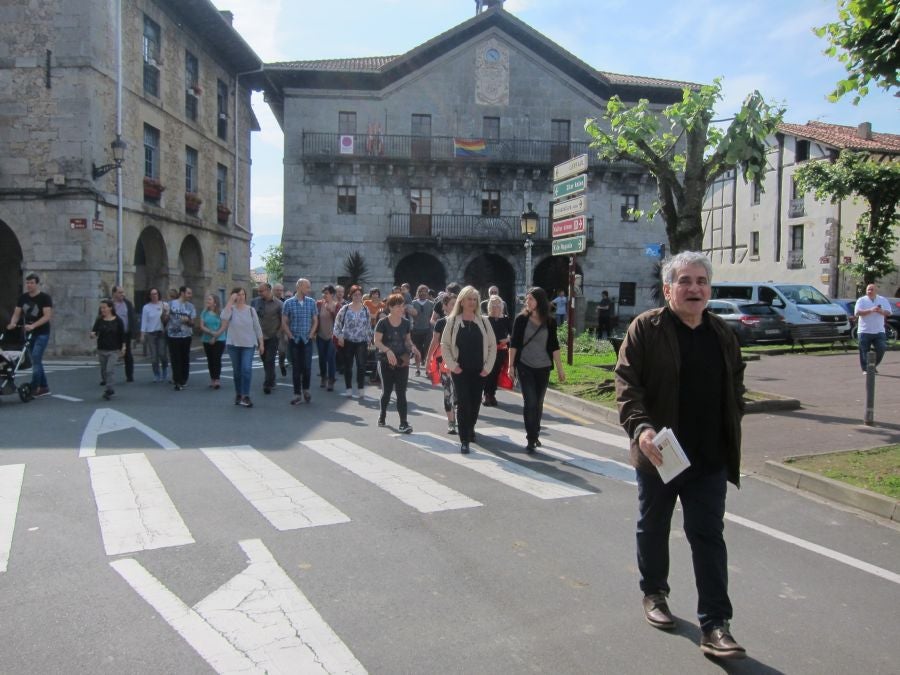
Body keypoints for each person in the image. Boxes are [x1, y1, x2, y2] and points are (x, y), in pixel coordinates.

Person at [614, 251, 746, 660]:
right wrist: (642, 428)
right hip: (661, 456)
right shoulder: (647, 329)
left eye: (701, 281)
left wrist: (731, 423)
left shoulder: (722, 333)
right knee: (653, 526)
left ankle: (716, 625)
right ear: (668, 289)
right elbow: (627, 384)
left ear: (710, 288)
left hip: (709, 457)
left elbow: (736, 386)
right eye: (685, 281)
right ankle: (654, 593)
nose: (694, 288)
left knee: (708, 537)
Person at [507, 287, 565, 452]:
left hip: (544, 367)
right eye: (527, 299)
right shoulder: (521, 320)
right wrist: (511, 366)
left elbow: (554, 346)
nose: (528, 302)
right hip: (525, 366)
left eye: (531, 299)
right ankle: (531, 437)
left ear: (539, 301)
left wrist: (560, 369)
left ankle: (535, 432)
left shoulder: (550, 321)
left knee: (538, 403)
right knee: (530, 401)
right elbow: (514, 344)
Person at [440, 286, 496, 454]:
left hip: (480, 370)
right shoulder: (452, 321)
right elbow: (445, 345)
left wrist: (487, 367)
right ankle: (464, 439)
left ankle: (470, 427)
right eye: (469, 299)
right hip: (460, 371)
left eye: (474, 299)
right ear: (462, 301)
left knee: (475, 403)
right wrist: (453, 366)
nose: (472, 302)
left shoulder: (484, 321)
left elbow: (492, 345)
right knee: (463, 403)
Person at [373, 293, 419, 433]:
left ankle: (403, 423)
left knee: (401, 392)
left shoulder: (405, 323)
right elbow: (377, 342)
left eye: (403, 305)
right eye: (398, 306)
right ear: (391, 307)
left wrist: (413, 347)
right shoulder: (383, 323)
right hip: (385, 361)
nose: (402, 308)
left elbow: (407, 340)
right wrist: (387, 350)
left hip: (402, 361)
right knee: (386, 391)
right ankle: (382, 415)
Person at [6, 273, 53, 397]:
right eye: (28, 283)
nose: (29, 285)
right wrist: (12, 323)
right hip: (28, 332)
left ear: (37, 284)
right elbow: (17, 313)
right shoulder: (23, 298)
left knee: (36, 357)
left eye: (32, 283)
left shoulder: (44, 298)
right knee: (35, 359)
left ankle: (35, 386)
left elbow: (47, 316)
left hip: (42, 332)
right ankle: (44, 387)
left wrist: (34, 325)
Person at [220, 287, 264, 407]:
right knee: (237, 371)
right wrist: (230, 301)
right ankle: (238, 393)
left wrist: (261, 343)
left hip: (248, 344)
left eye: (243, 294)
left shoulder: (251, 310)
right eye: (238, 295)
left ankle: (245, 395)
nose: (241, 297)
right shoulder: (231, 309)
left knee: (246, 369)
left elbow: (257, 327)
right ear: (233, 296)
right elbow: (223, 317)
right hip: (233, 344)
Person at [425, 292, 458, 434]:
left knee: (460, 396)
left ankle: (462, 419)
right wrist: (428, 359)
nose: (456, 306)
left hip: (463, 363)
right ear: (445, 306)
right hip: (445, 363)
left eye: (457, 303)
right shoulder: (441, 322)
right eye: (452, 304)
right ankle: (451, 421)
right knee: (448, 393)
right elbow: (435, 341)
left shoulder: (466, 320)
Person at [282, 278, 318, 405]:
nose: (309, 289)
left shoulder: (311, 302)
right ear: (299, 287)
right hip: (295, 340)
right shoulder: (288, 303)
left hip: (307, 340)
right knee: (296, 368)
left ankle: (306, 390)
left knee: (307, 367)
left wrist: (311, 333)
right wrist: (290, 335)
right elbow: (284, 321)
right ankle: (297, 393)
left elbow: (315, 320)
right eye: (307, 287)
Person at [334, 285, 371, 399]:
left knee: (361, 366)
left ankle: (360, 388)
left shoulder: (365, 309)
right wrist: (339, 336)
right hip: (348, 341)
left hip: (361, 341)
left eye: (359, 295)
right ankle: (349, 388)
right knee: (348, 366)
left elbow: (368, 326)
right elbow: (337, 324)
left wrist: (369, 339)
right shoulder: (344, 309)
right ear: (351, 295)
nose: (357, 297)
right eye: (355, 295)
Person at [251, 282, 283, 394]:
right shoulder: (255, 302)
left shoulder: (278, 304)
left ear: (269, 290)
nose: (259, 293)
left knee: (270, 359)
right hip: (260, 337)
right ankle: (272, 378)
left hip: (272, 336)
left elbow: (283, 320)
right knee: (265, 359)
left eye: (261, 291)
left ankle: (267, 384)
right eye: (258, 291)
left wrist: (278, 334)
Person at [91, 299, 126, 401]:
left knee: (109, 370)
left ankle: (109, 389)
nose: (103, 310)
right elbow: (94, 331)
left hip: (114, 349)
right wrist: (92, 334)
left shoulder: (118, 320)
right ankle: (107, 384)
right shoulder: (99, 320)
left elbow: (122, 335)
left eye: (104, 307)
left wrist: (123, 347)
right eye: (101, 308)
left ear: (110, 308)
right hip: (102, 348)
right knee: (104, 370)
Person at [854, 283, 892, 373]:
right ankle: (866, 369)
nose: (870, 291)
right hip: (864, 330)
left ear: (876, 291)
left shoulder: (882, 300)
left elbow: (889, 312)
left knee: (881, 348)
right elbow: (857, 312)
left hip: (879, 331)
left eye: (872, 289)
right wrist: (870, 310)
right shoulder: (861, 300)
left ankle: (872, 366)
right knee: (864, 351)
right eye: (868, 290)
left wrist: (881, 311)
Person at [483, 295, 511, 406]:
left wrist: (507, 339)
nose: (495, 307)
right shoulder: (485, 319)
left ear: (502, 306)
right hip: (488, 350)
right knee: (487, 372)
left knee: (496, 373)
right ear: (489, 306)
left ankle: (492, 394)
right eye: (493, 305)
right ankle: (486, 394)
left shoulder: (506, 319)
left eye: (498, 305)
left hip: (501, 350)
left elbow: (512, 333)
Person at [166, 286, 196, 391]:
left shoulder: (191, 306)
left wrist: (187, 320)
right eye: (188, 293)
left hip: (186, 335)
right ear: (182, 293)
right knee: (175, 358)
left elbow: (193, 323)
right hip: (173, 335)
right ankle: (177, 380)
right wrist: (164, 313)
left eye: (190, 293)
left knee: (184, 358)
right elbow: (164, 319)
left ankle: (184, 379)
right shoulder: (171, 304)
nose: (190, 295)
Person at [140, 288, 169, 383]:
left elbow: (167, 319)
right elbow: (144, 321)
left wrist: (165, 312)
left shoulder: (164, 305)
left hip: (161, 332)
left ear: (158, 294)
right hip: (151, 333)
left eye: (155, 294)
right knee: (154, 356)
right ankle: (156, 374)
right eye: (152, 294)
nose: (154, 296)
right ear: (149, 296)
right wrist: (142, 334)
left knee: (162, 353)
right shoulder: (146, 307)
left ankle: (165, 368)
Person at [199, 293, 226, 389]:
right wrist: (211, 333)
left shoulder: (221, 313)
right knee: (210, 359)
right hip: (206, 339)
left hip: (219, 339)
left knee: (216, 358)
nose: (207, 301)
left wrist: (215, 336)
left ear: (215, 302)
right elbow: (201, 326)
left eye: (210, 300)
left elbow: (223, 326)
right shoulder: (204, 312)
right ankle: (212, 379)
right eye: (207, 300)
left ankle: (217, 379)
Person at [111, 285, 137, 383]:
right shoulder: (110, 304)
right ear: (114, 294)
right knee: (110, 355)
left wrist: (134, 332)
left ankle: (129, 376)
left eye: (123, 292)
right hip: (112, 334)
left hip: (125, 333)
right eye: (120, 292)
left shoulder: (128, 304)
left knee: (127, 354)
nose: (123, 294)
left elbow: (132, 318)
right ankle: (107, 377)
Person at [315, 285, 339, 390]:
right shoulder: (319, 304)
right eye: (323, 293)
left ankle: (331, 380)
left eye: (326, 293)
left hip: (332, 337)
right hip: (320, 335)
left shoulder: (337, 305)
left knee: (330, 358)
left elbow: (339, 321)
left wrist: (332, 311)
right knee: (322, 358)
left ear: (332, 294)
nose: (324, 295)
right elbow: (315, 318)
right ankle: (323, 377)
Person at [409, 284, 434, 377]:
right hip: (416, 330)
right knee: (417, 350)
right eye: (420, 291)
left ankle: (427, 369)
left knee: (428, 350)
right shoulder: (413, 303)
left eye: (425, 291)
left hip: (428, 330)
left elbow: (434, 317)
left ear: (427, 293)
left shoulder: (431, 304)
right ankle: (418, 369)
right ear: (417, 293)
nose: (423, 293)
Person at [273, 283, 290, 377]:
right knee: (270, 354)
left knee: (282, 351)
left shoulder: (285, 302)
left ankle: (281, 363)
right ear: (273, 290)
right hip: (271, 330)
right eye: (277, 290)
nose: (279, 292)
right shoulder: (269, 301)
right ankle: (271, 375)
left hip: (282, 330)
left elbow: (287, 318)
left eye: (281, 290)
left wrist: (286, 333)